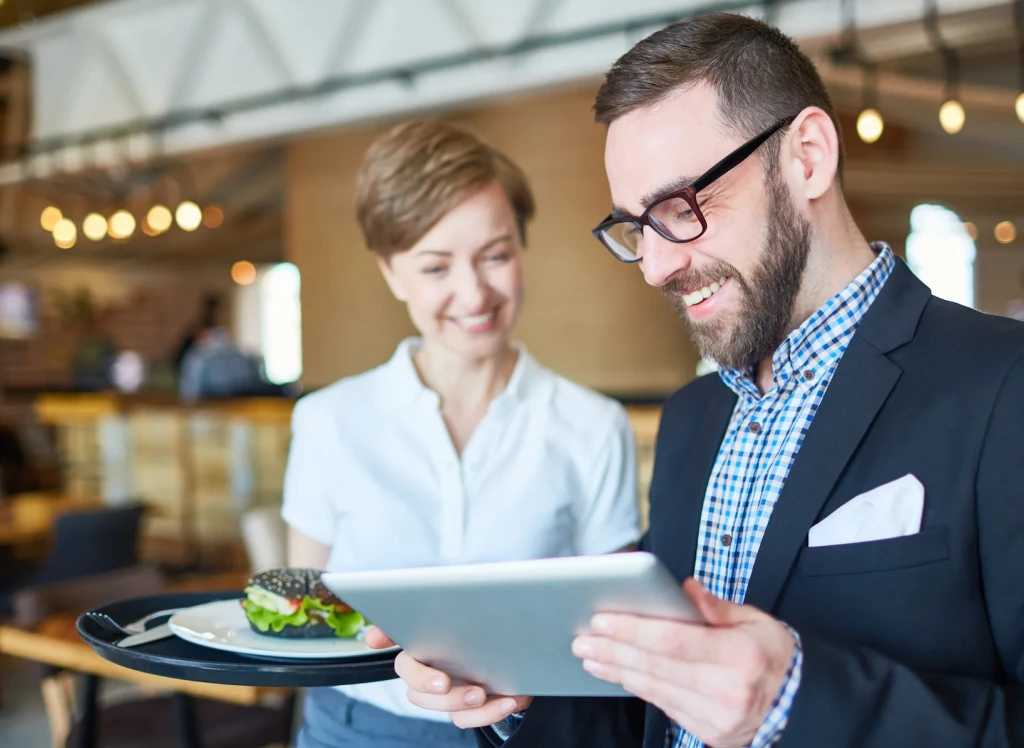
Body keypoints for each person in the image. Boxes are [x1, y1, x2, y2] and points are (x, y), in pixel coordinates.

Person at [370, 12, 1024, 748]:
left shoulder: (1006, 388)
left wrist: (796, 701)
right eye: (635, 227)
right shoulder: (692, 421)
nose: (655, 265)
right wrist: (520, 686)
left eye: (682, 208)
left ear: (807, 155)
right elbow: (646, 711)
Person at [282, 119, 640, 748]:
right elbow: (306, 606)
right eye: (435, 266)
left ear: (522, 248)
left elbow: (610, 633)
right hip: (356, 729)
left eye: (495, 255)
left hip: (531, 733)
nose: (473, 292)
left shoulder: (593, 426)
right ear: (392, 273)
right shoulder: (327, 421)